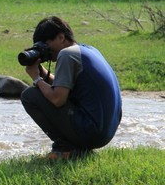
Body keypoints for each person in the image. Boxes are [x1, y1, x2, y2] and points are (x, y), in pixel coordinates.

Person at [20, 16, 122, 159]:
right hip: (105, 133)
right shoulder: (88, 49)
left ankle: (65, 148)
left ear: (61, 37)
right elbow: (63, 86)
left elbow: (58, 99)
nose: (45, 50)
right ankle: (76, 147)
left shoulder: (66, 55)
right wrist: (42, 72)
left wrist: (36, 79)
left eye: (45, 45)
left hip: (92, 132)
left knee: (30, 96)